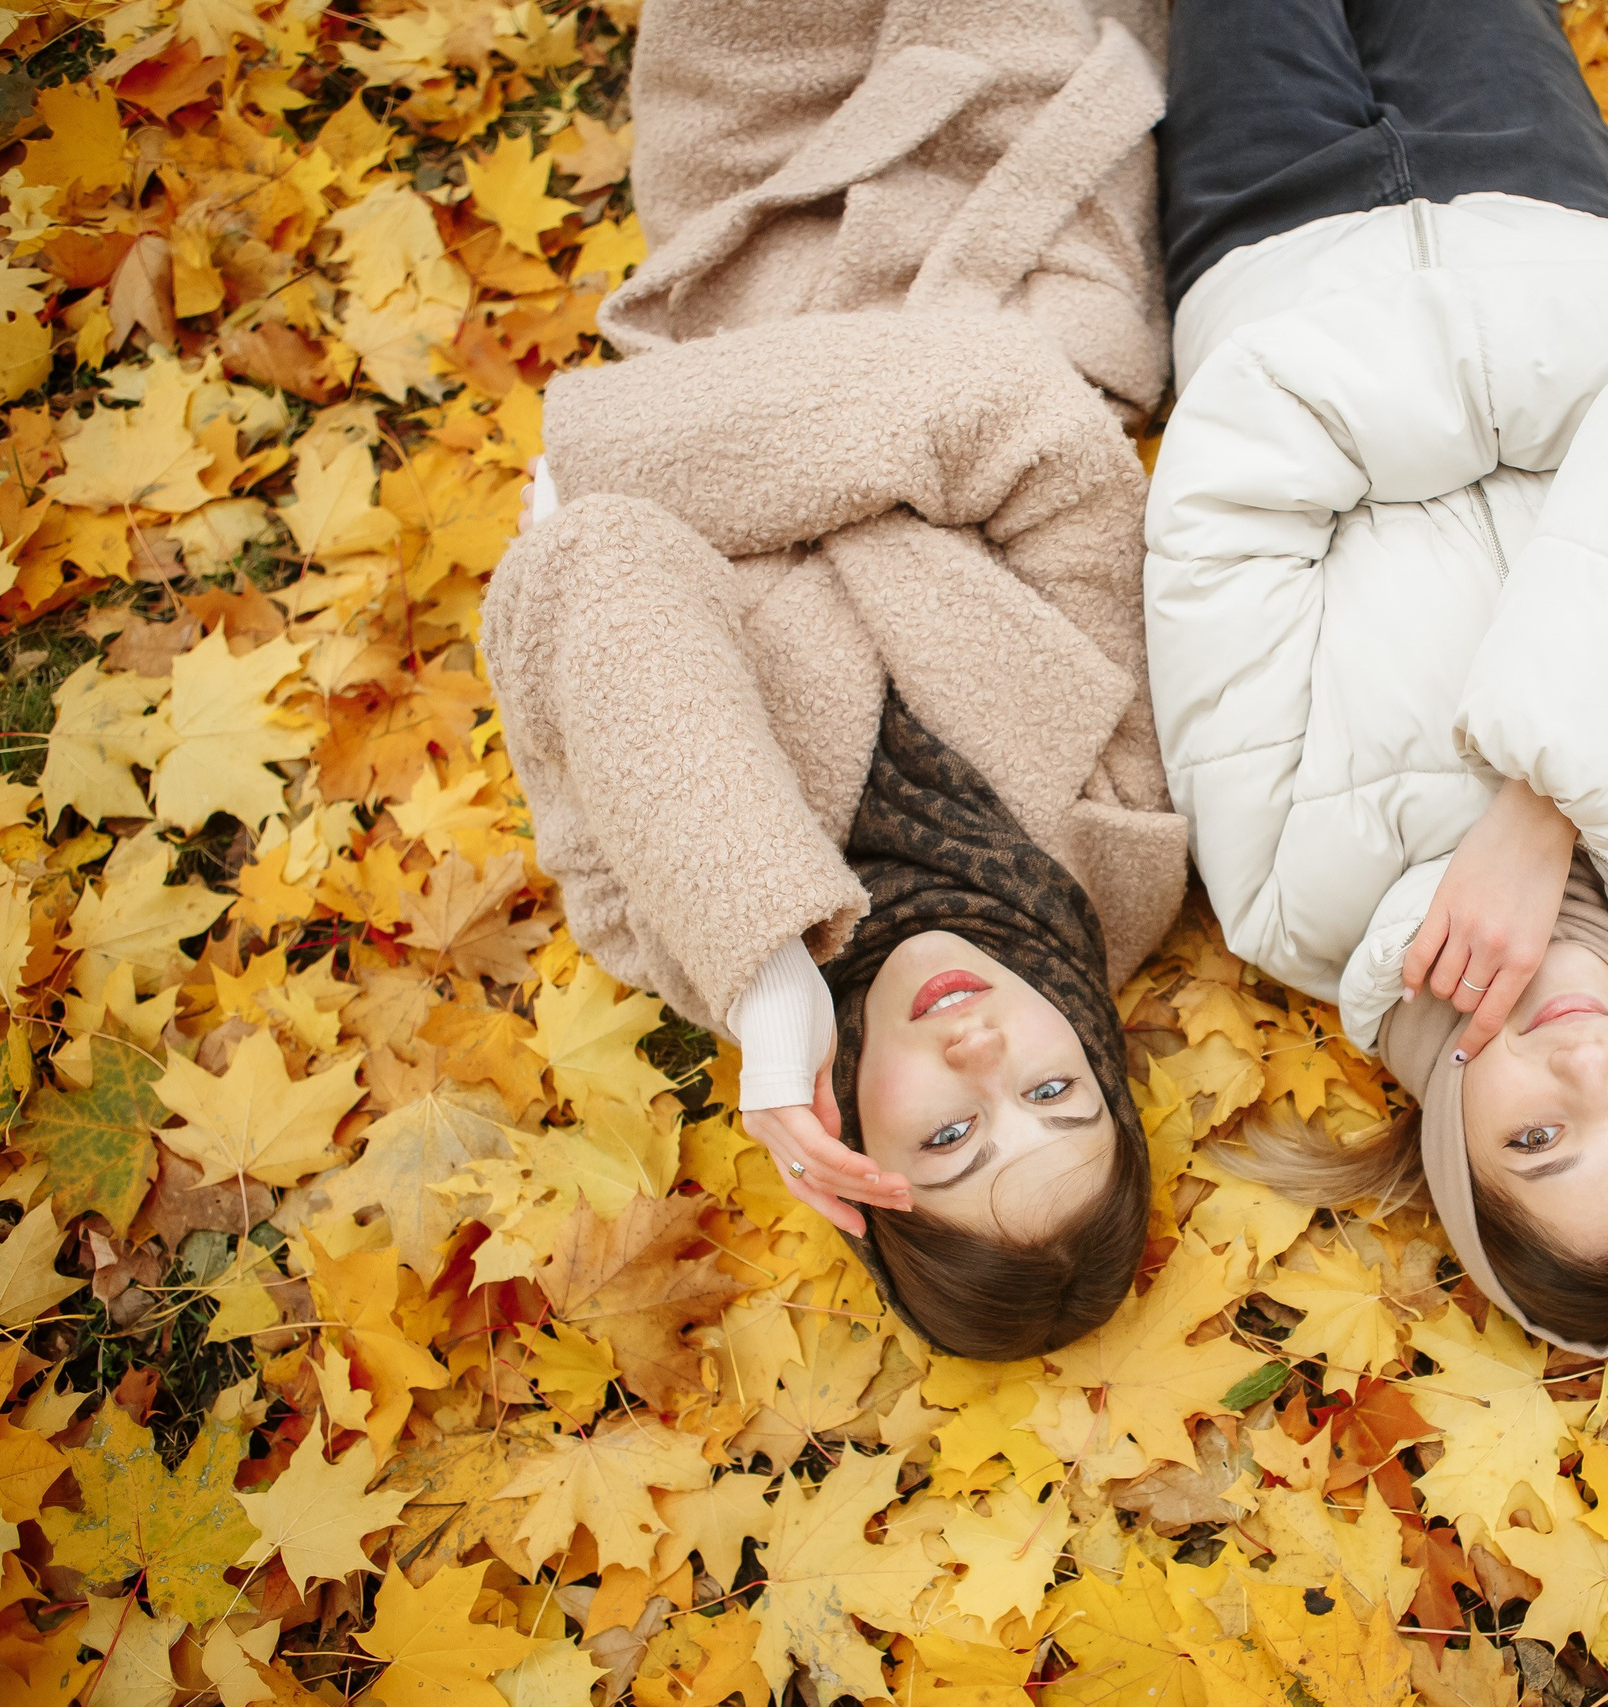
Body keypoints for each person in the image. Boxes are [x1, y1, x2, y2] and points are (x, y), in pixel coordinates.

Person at [1144, 0, 1608, 1356]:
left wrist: (1560, 403)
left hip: (1268, 237)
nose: (1586, 1065)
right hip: (1532, 183)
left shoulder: (1288, 901)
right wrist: (1542, 803)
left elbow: (1235, 478)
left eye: (1540, 1141)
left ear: (1453, 1139)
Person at [483, 0, 1186, 1362]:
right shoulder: (1124, 851)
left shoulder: (673, 928)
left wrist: (765, 970)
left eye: (952, 1136)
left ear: (853, 1148)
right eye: (1056, 1095)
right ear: (1104, 1065)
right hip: (1006, 231)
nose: (986, 1059)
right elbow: (1040, 445)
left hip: (755, 230)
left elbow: (602, 562)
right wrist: (648, 457)